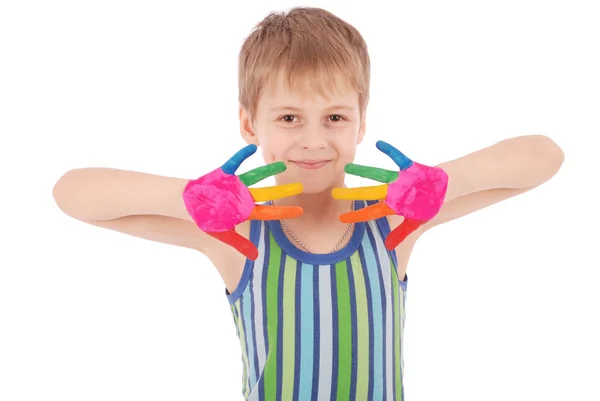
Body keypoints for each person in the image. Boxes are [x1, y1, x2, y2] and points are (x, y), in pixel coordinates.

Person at [51, 6, 564, 401]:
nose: (314, 141)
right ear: (250, 124)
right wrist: (185, 198)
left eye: (335, 118)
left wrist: (446, 181)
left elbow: (545, 157)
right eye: (290, 118)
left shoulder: (394, 220)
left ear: (362, 122)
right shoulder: (237, 234)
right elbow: (72, 193)